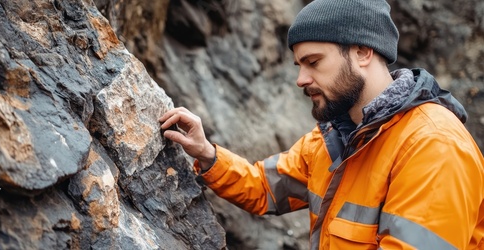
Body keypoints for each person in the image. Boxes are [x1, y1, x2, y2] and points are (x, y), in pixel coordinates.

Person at [159, 0, 484, 249]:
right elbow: (264, 188)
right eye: (299, 65)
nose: (301, 79)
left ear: (362, 51)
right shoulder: (336, 136)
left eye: (313, 62)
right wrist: (207, 153)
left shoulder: (433, 146)